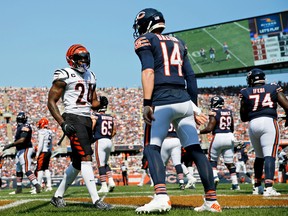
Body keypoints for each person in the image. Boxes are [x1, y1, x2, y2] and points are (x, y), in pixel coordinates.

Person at [133, 8, 221, 213]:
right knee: (195, 149)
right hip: (183, 100)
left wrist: (147, 102)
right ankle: (211, 200)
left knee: (151, 147)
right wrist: (194, 107)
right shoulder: (179, 42)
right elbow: (190, 77)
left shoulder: (145, 40)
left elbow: (148, 71)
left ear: (145, 23)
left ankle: (161, 196)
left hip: (162, 101)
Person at [47, 44, 111, 209]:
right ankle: (96, 200)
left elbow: (93, 102)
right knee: (86, 158)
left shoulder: (91, 75)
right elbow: (51, 101)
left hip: (86, 119)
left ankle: (57, 196)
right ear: (71, 59)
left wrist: (101, 102)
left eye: (85, 57)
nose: (82, 61)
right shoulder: (65, 74)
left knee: (77, 163)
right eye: (79, 58)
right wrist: (63, 122)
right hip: (73, 118)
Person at [240, 68, 288, 196]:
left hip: (253, 125)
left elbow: (243, 117)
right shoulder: (273, 88)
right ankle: (268, 187)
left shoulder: (245, 92)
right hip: (268, 122)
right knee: (270, 155)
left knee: (259, 157)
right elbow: (286, 105)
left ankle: (257, 187)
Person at [199, 96, 240, 190]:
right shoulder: (229, 111)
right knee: (229, 162)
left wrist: (199, 132)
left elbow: (209, 128)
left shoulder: (214, 112)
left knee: (212, 161)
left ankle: (214, 178)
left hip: (218, 136)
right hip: (229, 137)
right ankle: (235, 184)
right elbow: (232, 127)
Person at [3, 112, 42, 194]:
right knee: (18, 169)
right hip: (20, 150)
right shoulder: (20, 126)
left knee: (26, 169)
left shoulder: (25, 126)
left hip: (26, 149)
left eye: (20, 119)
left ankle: (37, 185)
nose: (19, 121)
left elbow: (22, 139)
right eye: (19, 119)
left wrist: (10, 145)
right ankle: (19, 188)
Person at [91, 98, 116, 193]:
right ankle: (111, 180)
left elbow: (92, 126)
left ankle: (104, 186)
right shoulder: (110, 117)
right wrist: (107, 137)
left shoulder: (96, 116)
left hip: (100, 141)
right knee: (105, 163)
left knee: (100, 164)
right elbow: (114, 131)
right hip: (108, 140)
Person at [161, 123, 185, 190]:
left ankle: (161, 182)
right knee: (177, 163)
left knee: (162, 164)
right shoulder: (176, 118)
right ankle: (181, 181)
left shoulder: (163, 118)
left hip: (166, 140)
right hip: (176, 140)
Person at [33, 117, 53, 193]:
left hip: (43, 151)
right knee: (46, 168)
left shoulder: (42, 132)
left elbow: (40, 144)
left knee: (40, 169)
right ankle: (49, 186)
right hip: (48, 151)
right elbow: (50, 144)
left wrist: (37, 154)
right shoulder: (50, 132)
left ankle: (38, 186)